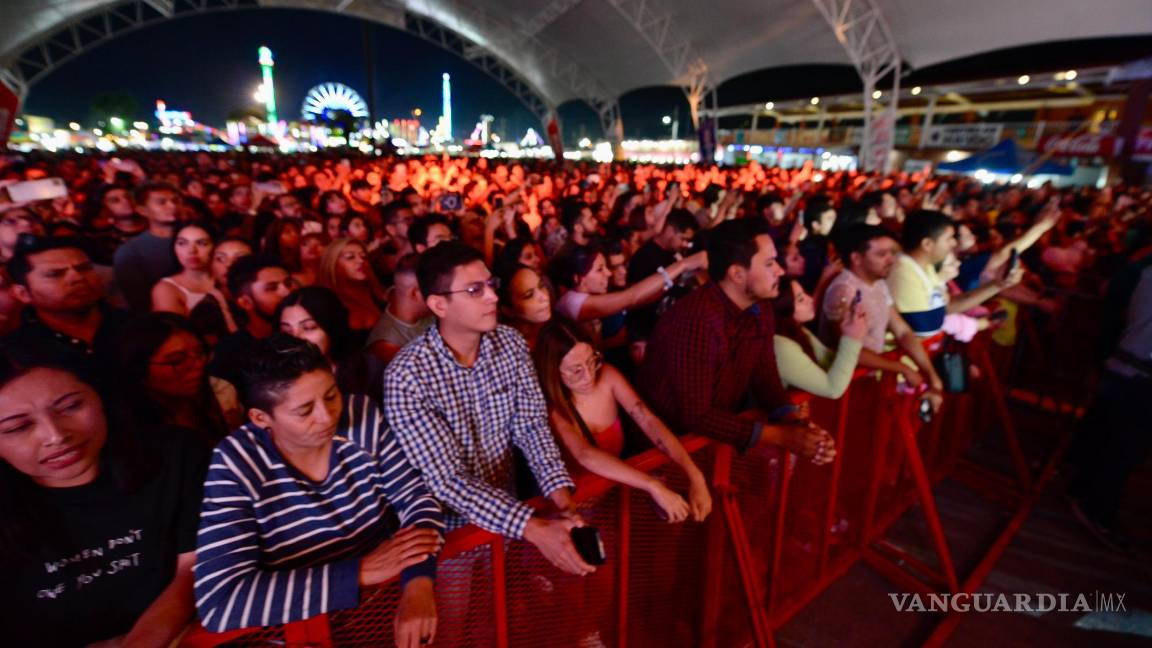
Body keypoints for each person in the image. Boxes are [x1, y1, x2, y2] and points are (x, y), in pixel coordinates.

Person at [194, 335, 444, 640]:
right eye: (304, 411)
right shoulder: (236, 462)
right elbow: (221, 602)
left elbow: (416, 499)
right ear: (261, 418)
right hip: (306, 633)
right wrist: (361, 572)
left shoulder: (361, 416)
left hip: (384, 611)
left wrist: (418, 582)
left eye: (331, 395)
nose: (327, 416)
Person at [383, 241, 595, 576]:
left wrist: (563, 502)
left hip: (510, 514)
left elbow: (531, 427)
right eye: (474, 290)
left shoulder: (509, 343)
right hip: (449, 534)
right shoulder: (408, 375)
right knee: (457, 618)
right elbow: (447, 480)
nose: (493, 297)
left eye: (490, 285)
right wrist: (533, 528)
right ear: (439, 304)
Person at [0, 349, 206, 647]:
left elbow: (194, 566)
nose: (55, 435)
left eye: (70, 406)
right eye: (19, 427)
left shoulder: (175, 457)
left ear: (100, 396)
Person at [637, 219, 835, 461]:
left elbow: (765, 376)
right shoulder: (697, 320)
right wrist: (782, 436)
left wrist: (794, 424)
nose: (780, 271)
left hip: (710, 446)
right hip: (665, 454)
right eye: (769, 264)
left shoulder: (760, 309)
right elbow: (697, 415)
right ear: (737, 274)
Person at [534, 319, 712, 522]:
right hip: (570, 513)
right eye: (576, 370)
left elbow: (647, 420)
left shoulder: (608, 377)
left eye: (592, 360)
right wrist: (651, 485)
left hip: (609, 500)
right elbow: (585, 454)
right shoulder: (551, 408)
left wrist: (694, 475)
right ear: (553, 371)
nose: (588, 375)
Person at [820, 225, 945, 411]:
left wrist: (931, 374)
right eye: (881, 254)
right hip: (843, 388)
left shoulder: (878, 284)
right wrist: (901, 368)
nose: (891, 260)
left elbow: (902, 332)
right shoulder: (844, 290)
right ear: (856, 258)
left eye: (892, 253)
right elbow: (847, 349)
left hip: (867, 381)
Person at [2, 235, 130, 381]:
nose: (77, 277)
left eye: (84, 268)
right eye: (55, 274)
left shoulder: (137, 327)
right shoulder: (16, 352)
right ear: (23, 293)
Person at [888, 210, 1020, 337]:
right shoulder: (904, 272)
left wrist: (998, 285)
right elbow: (926, 329)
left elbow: (947, 306)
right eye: (949, 238)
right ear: (927, 244)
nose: (954, 243)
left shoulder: (924, 266)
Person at [116, 313, 237, 444]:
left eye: (200, 353)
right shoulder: (132, 433)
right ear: (139, 369)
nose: (198, 364)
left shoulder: (221, 393)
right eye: (177, 360)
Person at [550, 243, 707, 343]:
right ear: (578, 278)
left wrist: (673, 281)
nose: (609, 274)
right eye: (600, 270)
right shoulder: (572, 302)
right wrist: (683, 264)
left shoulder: (584, 296)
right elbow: (632, 297)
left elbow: (639, 298)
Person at [278, 285, 384, 397]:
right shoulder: (277, 381)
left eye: (308, 327)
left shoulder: (368, 368)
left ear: (332, 326)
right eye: (287, 331)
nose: (296, 338)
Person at [208, 256, 295, 387]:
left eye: (288, 283)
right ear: (246, 302)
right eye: (272, 288)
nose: (287, 292)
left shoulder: (306, 334)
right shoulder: (230, 353)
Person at [773, 276, 866, 399]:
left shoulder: (800, 332)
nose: (810, 299)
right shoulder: (780, 345)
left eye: (805, 294)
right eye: (800, 299)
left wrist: (846, 327)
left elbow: (829, 361)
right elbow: (832, 389)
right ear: (782, 310)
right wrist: (851, 339)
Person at [625, 208, 699, 351]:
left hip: (667, 336)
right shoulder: (644, 257)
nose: (685, 244)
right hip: (645, 338)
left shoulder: (673, 257)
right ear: (670, 230)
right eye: (683, 238)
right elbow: (634, 300)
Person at [151, 222, 238, 334]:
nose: (191, 251)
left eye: (202, 243)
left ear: (216, 246)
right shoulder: (165, 289)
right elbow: (179, 336)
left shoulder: (226, 278)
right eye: (182, 243)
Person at [114, 182, 182, 311]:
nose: (172, 206)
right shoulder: (130, 252)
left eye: (175, 201)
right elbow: (139, 303)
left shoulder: (197, 238)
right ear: (142, 210)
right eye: (162, 202)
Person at [367, 253, 434, 365]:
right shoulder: (386, 344)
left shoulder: (428, 313)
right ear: (414, 293)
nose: (442, 295)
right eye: (435, 288)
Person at [318, 238, 387, 333]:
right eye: (350, 257)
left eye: (363, 257)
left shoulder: (378, 294)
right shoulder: (326, 303)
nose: (360, 261)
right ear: (332, 263)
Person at [498, 264, 552, 350]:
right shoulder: (507, 347)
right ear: (508, 310)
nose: (544, 297)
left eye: (541, 286)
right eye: (529, 295)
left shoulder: (560, 329)